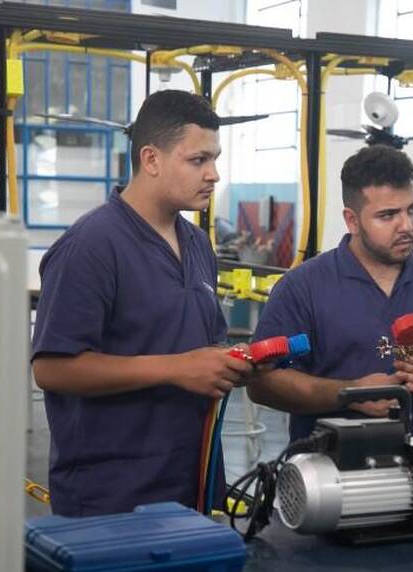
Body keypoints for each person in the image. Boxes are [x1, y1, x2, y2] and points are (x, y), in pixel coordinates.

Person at [30, 90, 252, 517]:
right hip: (113, 497)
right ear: (151, 159)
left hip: (194, 485)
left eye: (215, 159)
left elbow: (204, 347)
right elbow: (52, 367)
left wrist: (235, 362)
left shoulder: (198, 244)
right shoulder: (91, 246)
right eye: (198, 160)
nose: (214, 175)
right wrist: (177, 368)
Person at [249, 146, 413, 441]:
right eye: (388, 215)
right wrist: (347, 393)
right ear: (352, 220)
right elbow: (262, 384)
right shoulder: (302, 286)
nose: (407, 226)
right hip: (329, 473)